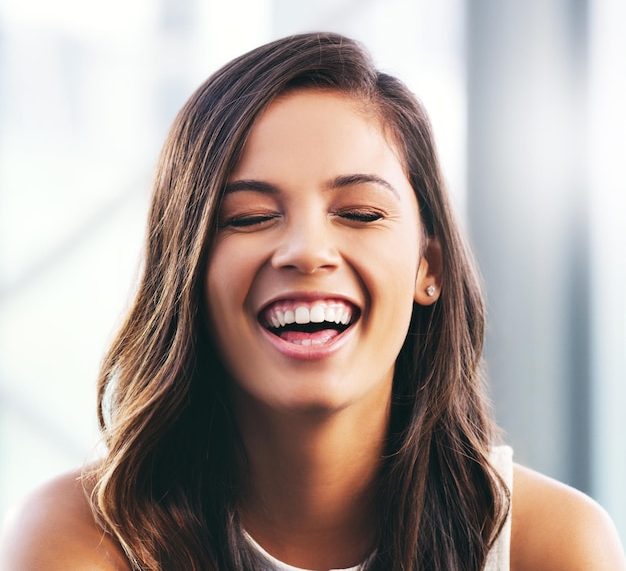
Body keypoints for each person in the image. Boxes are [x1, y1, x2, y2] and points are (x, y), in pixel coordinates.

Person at [1, 32, 624, 571]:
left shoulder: (552, 545)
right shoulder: (82, 539)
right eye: (248, 218)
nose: (306, 251)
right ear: (185, 267)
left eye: (358, 212)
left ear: (427, 267)